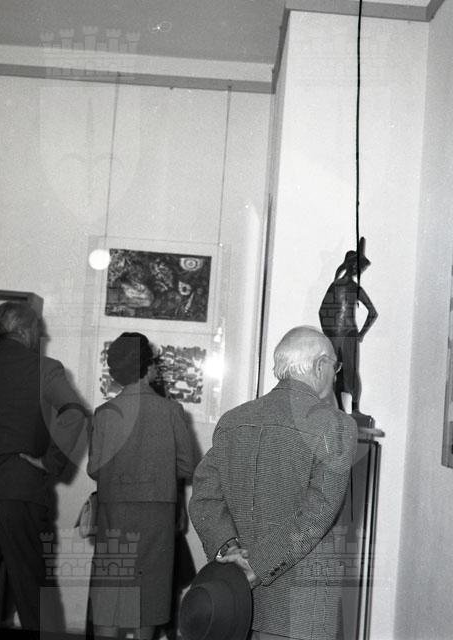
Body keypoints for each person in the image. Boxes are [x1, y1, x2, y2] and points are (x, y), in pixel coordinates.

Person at [189, 326, 357, 640]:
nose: (334, 377)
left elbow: (203, 498)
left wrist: (229, 550)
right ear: (320, 366)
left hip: (235, 602)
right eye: (334, 368)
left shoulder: (233, 420)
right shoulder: (335, 425)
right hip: (301, 609)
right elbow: (316, 515)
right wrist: (257, 566)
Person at [0, 301, 88, 631]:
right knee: (33, 592)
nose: (39, 336)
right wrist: (50, 461)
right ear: (25, 330)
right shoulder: (45, 368)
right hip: (19, 490)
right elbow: (74, 414)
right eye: (38, 330)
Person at [87, 332, 195, 640]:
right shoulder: (171, 411)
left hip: (114, 513)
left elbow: (94, 469)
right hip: (156, 515)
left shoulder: (105, 414)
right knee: (148, 596)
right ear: (148, 366)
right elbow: (186, 466)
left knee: (110, 593)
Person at [318, 237, 377, 419]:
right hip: (341, 334)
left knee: (348, 371)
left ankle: (354, 408)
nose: (357, 270)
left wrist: (360, 333)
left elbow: (372, 312)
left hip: (345, 335)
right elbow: (322, 311)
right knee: (337, 370)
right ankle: (342, 409)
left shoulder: (350, 287)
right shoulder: (340, 286)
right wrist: (329, 332)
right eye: (356, 267)